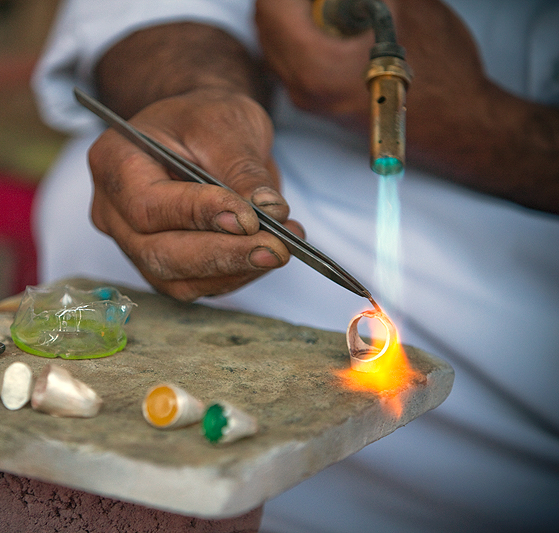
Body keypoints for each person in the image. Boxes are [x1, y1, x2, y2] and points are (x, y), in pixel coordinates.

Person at [31, 0, 559, 531]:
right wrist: (198, 94)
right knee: (94, 188)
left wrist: (480, 119)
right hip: (300, 144)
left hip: (528, 237)